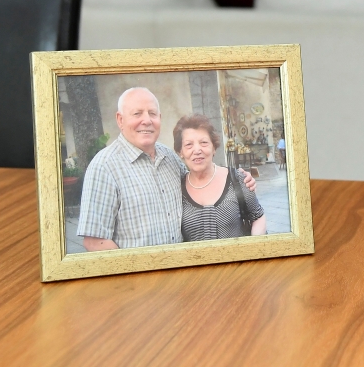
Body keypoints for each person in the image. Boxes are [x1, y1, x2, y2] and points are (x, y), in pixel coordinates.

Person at [77, 87, 256, 251]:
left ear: (159, 119)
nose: (146, 120)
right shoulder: (104, 167)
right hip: (142, 281)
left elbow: (197, 180)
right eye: (137, 113)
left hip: (182, 277)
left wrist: (235, 180)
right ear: (120, 120)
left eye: (152, 113)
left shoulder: (169, 157)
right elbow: (95, 240)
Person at [174, 114, 267, 240]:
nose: (197, 150)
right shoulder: (177, 189)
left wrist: (253, 249)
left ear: (214, 148)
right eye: (189, 145)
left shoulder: (237, 178)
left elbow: (258, 216)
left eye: (204, 143)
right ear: (181, 152)